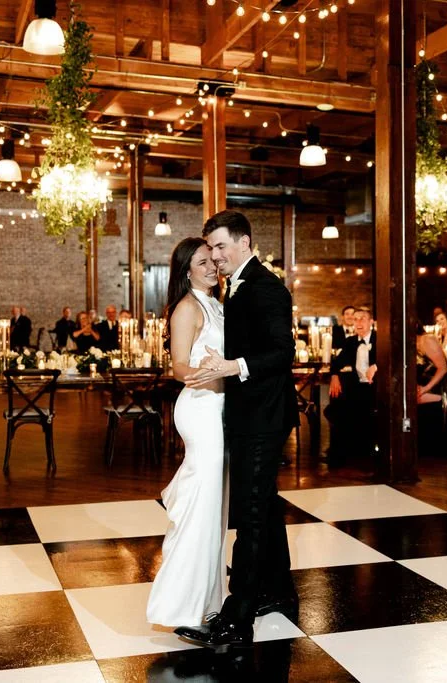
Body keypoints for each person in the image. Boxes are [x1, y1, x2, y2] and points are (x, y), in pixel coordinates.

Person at [176, 210, 298, 652]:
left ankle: (237, 620)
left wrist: (235, 366)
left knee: (248, 514)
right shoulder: (239, 286)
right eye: (211, 249)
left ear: (245, 242)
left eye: (222, 246)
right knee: (263, 507)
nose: (216, 256)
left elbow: (284, 353)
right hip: (249, 415)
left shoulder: (266, 288)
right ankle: (278, 591)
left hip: (263, 418)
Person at [147, 238, 228, 629]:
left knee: (214, 508)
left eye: (214, 260)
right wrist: (209, 373)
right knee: (201, 507)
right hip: (200, 408)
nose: (212, 266)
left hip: (219, 408)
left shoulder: (216, 304)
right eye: (202, 262)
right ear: (186, 270)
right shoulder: (187, 307)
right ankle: (183, 605)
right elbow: (178, 366)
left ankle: (209, 600)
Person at [326, 308, 377, 461]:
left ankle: (364, 450)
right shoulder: (350, 342)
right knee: (335, 407)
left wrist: (377, 366)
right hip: (357, 387)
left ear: (371, 322)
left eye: (362, 318)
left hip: (376, 388)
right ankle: (341, 452)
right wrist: (334, 376)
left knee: (358, 408)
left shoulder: (380, 339)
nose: (358, 322)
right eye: (356, 319)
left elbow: (393, 359)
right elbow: (336, 363)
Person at [416, 321, 447, 454]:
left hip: (432, 385)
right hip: (414, 386)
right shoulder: (403, 342)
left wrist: (426, 388)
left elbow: (443, 368)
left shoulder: (426, 340)